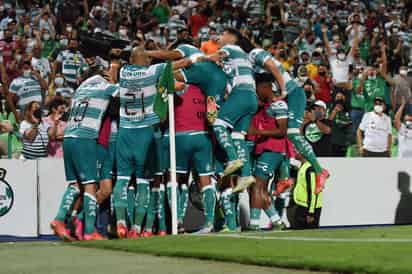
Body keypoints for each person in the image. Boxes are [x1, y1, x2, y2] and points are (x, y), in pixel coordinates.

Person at [113, 46, 190, 239]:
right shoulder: (151, 71)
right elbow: (180, 64)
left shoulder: (123, 71)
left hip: (124, 131)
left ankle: (120, 223)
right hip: (144, 133)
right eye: (147, 59)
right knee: (143, 183)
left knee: (122, 180)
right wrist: (195, 59)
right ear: (145, 60)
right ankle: (137, 228)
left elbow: (115, 70)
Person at [248, 46, 329, 194]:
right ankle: (284, 178)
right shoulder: (251, 70)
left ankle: (319, 171)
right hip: (283, 97)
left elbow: (273, 67)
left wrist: (284, 89)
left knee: (291, 133)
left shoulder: (254, 55)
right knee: (283, 134)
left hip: (293, 94)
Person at [50, 70, 118, 241]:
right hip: (85, 138)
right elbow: (129, 93)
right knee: (90, 185)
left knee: (75, 184)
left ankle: (59, 220)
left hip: (69, 137)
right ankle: (89, 231)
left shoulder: (81, 88)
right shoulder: (106, 87)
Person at [199, 28, 258, 192]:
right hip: (252, 97)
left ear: (232, 37)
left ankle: (233, 159)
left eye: (223, 34)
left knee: (217, 123)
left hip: (241, 93)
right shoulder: (243, 55)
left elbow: (214, 57)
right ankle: (246, 175)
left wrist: (197, 59)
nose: (220, 36)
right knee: (238, 137)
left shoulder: (230, 48)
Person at [247, 73, 290, 231]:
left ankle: (254, 224)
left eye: (257, 88)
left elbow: (282, 130)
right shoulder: (261, 105)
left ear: (266, 87)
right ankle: (277, 221)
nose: (256, 92)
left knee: (257, 186)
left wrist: (258, 131)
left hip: (273, 150)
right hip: (261, 149)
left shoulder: (278, 105)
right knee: (258, 188)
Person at [288, 158, 323, 229]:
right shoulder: (303, 166)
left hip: (309, 208)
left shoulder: (310, 168)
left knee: (310, 234)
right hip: (302, 206)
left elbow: (313, 192)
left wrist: (311, 213)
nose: (295, 152)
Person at [328, 91, 352, 157]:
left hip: (343, 142)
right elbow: (328, 122)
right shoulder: (330, 109)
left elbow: (347, 123)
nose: (339, 99)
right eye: (338, 97)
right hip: (332, 142)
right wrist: (334, 111)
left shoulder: (348, 111)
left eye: (341, 97)